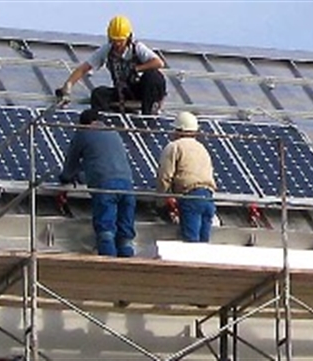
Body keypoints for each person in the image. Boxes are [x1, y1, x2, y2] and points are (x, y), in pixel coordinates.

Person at [59, 108, 136, 257]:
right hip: (127, 185)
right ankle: (128, 263)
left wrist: (66, 177)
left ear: (84, 124)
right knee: (125, 232)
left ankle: (108, 263)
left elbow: (71, 162)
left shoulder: (83, 134)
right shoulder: (114, 133)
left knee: (106, 229)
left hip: (105, 185)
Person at [56, 15, 167, 115]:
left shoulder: (137, 48)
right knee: (99, 93)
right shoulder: (107, 50)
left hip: (143, 90)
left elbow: (158, 63)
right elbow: (83, 68)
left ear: (128, 38)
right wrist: (68, 85)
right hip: (124, 91)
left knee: (153, 76)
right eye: (114, 41)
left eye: (120, 41)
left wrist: (136, 69)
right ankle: (105, 123)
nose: (117, 44)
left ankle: (148, 115)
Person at [156, 111, 217, 243]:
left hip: (191, 198)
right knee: (203, 243)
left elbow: (164, 177)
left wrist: (161, 202)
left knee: (191, 243)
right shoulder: (202, 148)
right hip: (209, 198)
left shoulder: (174, 147)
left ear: (179, 130)